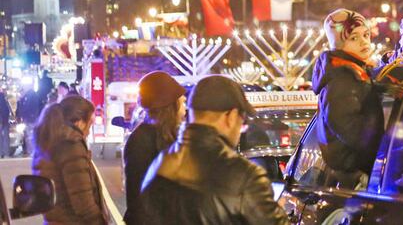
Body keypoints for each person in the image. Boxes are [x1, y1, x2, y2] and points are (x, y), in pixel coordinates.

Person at [140, 75, 288, 225]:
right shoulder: (245, 177)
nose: (241, 129)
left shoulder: (159, 165)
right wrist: (276, 211)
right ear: (230, 116)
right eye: (242, 120)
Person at [312, 9, 386, 183]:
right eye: (354, 38)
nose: (364, 42)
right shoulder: (341, 79)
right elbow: (355, 133)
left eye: (366, 35)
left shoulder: (357, 73)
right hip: (355, 179)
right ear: (338, 44)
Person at [31, 95, 109, 224]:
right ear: (78, 122)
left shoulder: (48, 142)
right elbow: (83, 202)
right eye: (89, 125)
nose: (89, 132)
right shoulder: (71, 146)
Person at [123, 71, 186, 225]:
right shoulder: (141, 140)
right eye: (182, 102)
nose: (185, 108)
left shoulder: (172, 135)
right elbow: (138, 198)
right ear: (169, 104)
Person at [16, 87, 42, 155]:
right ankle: (31, 152)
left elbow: (26, 109)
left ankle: (32, 152)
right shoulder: (28, 96)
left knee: (30, 137)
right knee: (28, 137)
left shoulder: (31, 96)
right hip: (29, 119)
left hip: (31, 120)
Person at [0, 90, 12, 157]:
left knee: (1, 138)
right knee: (5, 137)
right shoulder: (4, 100)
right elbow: (7, 110)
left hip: (1, 120)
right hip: (5, 120)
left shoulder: (2, 98)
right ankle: (6, 153)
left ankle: (1, 153)